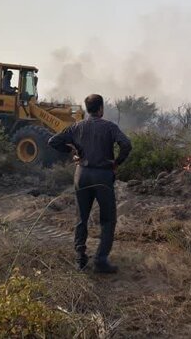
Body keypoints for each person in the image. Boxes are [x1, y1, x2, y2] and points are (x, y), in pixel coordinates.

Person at [48, 94, 132, 273]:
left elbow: (53, 141)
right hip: (102, 176)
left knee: (81, 217)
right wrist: (117, 162)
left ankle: (80, 259)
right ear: (101, 108)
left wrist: (72, 152)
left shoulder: (77, 126)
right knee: (108, 219)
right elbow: (126, 144)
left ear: (87, 109)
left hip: (82, 175)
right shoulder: (110, 127)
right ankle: (101, 261)